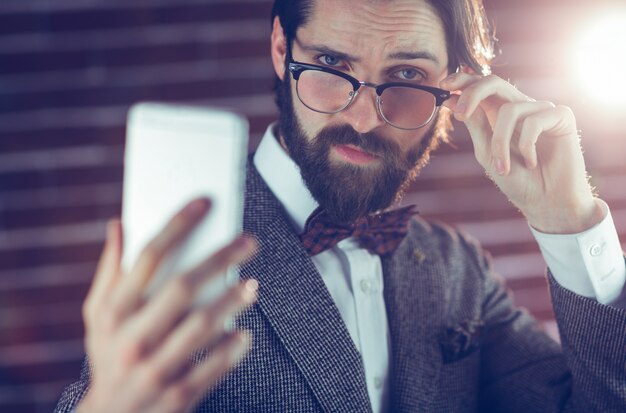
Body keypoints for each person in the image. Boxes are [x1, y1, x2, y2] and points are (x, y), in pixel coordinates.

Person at [55, 0, 626, 412]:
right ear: (282, 49)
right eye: (332, 67)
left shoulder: (460, 270)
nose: (363, 118)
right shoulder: (182, 260)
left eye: (405, 76)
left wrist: (570, 223)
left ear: (454, 90)